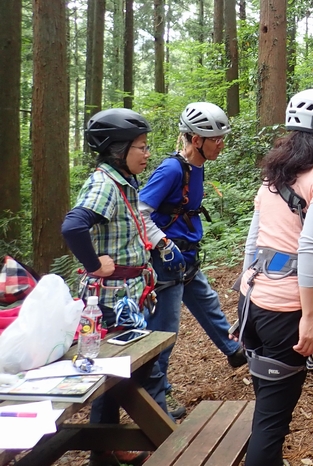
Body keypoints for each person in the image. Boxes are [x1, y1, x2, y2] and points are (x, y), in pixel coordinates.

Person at [238, 88, 313, 466]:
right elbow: (311, 246)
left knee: (267, 409)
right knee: (271, 423)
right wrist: (308, 317)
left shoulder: (274, 174)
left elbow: (254, 238)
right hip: (285, 313)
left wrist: (244, 290)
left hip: (252, 304)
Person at [61, 108, 165, 466]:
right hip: (110, 300)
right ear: (118, 149)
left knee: (122, 370)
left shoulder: (122, 182)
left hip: (129, 295)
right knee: (114, 372)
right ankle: (104, 448)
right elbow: (73, 226)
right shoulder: (104, 184)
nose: (147, 153)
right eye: (141, 146)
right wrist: (94, 264)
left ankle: (105, 447)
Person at [139, 102, 246, 418]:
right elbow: (140, 212)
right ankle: (158, 396)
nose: (221, 144)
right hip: (167, 261)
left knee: (208, 304)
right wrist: (163, 244)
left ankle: (234, 351)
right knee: (165, 332)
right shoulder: (171, 169)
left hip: (186, 256)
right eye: (216, 139)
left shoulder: (196, 167)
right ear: (196, 140)